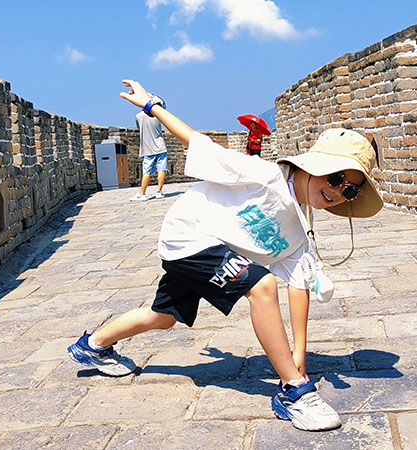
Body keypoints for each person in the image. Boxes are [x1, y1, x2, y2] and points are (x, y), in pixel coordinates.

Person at [68, 79, 384, 431]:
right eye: (336, 176)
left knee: (164, 316)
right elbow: (198, 144)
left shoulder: (298, 232)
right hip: (189, 235)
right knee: (261, 286)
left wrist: (300, 356)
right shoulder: (264, 175)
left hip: (210, 251)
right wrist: (150, 105)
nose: (339, 190)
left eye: (351, 188)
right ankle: (293, 393)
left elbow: (299, 285)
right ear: (313, 165)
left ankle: (92, 345)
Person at [129, 95, 168, 201]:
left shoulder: (139, 116)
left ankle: (143, 193)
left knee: (146, 171)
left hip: (147, 147)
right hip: (160, 145)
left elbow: (139, 128)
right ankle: (159, 192)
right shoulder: (159, 116)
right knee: (162, 168)